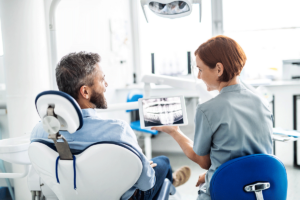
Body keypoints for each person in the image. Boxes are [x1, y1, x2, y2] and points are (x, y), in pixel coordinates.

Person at [30, 52, 191, 200]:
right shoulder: (118, 131)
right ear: (85, 92)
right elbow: (146, 184)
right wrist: (143, 167)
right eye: (102, 79)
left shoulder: (39, 132)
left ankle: (172, 180)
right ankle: (172, 181)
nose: (106, 84)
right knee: (162, 162)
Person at [152, 35, 273, 200]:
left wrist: (175, 132)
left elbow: (204, 162)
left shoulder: (207, 110)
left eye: (200, 70)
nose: (199, 77)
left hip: (227, 192)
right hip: (261, 190)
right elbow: (249, 157)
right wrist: (212, 175)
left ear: (218, 69)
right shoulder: (262, 102)